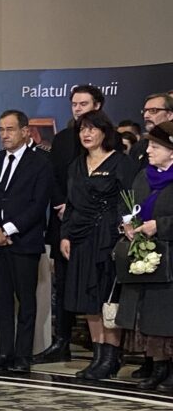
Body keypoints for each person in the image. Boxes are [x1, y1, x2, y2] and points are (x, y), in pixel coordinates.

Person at [59, 110, 136, 381]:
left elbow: (129, 200)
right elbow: (71, 204)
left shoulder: (120, 162)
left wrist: (126, 228)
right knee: (87, 298)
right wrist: (65, 235)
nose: (86, 134)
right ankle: (97, 356)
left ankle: (111, 357)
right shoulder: (76, 165)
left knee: (107, 297)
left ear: (105, 131)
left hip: (108, 236)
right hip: (81, 237)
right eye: (82, 129)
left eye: (92, 128)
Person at [0, 110, 51, 373]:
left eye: (10, 129)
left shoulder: (40, 163)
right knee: (1, 300)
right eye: (1, 129)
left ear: (25, 131)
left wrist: (7, 230)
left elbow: (38, 204)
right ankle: (4, 353)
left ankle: (22, 355)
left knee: (26, 301)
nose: (4, 135)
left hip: (24, 242)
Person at [34, 84, 105, 364]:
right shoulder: (63, 138)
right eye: (74, 104)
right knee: (62, 284)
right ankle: (61, 341)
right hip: (62, 221)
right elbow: (52, 177)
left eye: (83, 104)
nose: (78, 109)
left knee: (95, 285)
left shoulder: (106, 137)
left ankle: (102, 348)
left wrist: (77, 206)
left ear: (97, 106)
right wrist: (62, 204)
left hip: (94, 224)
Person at [116, 121, 173, 391]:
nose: (148, 150)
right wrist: (127, 225)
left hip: (170, 256)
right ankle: (158, 366)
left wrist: (159, 225)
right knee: (150, 316)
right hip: (147, 258)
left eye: (155, 146)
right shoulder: (144, 176)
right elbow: (128, 206)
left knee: (167, 315)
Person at [128, 94, 173, 171]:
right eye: (145, 111)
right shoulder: (138, 147)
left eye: (153, 111)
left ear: (170, 115)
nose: (146, 116)